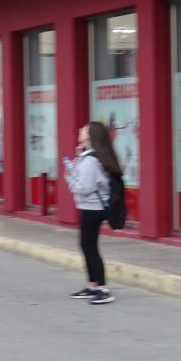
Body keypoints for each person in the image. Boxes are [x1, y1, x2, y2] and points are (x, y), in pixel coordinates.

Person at [65, 121, 121, 305]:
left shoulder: (90, 160)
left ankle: (103, 289)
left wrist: (70, 180)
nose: (80, 130)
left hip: (92, 208)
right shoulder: (88, 156)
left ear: (90, 136)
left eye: (83, 130)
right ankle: (92, 285)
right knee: (87, 246)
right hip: (91, 207)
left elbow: (84, 187)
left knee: (89, 247)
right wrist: (77, 160)